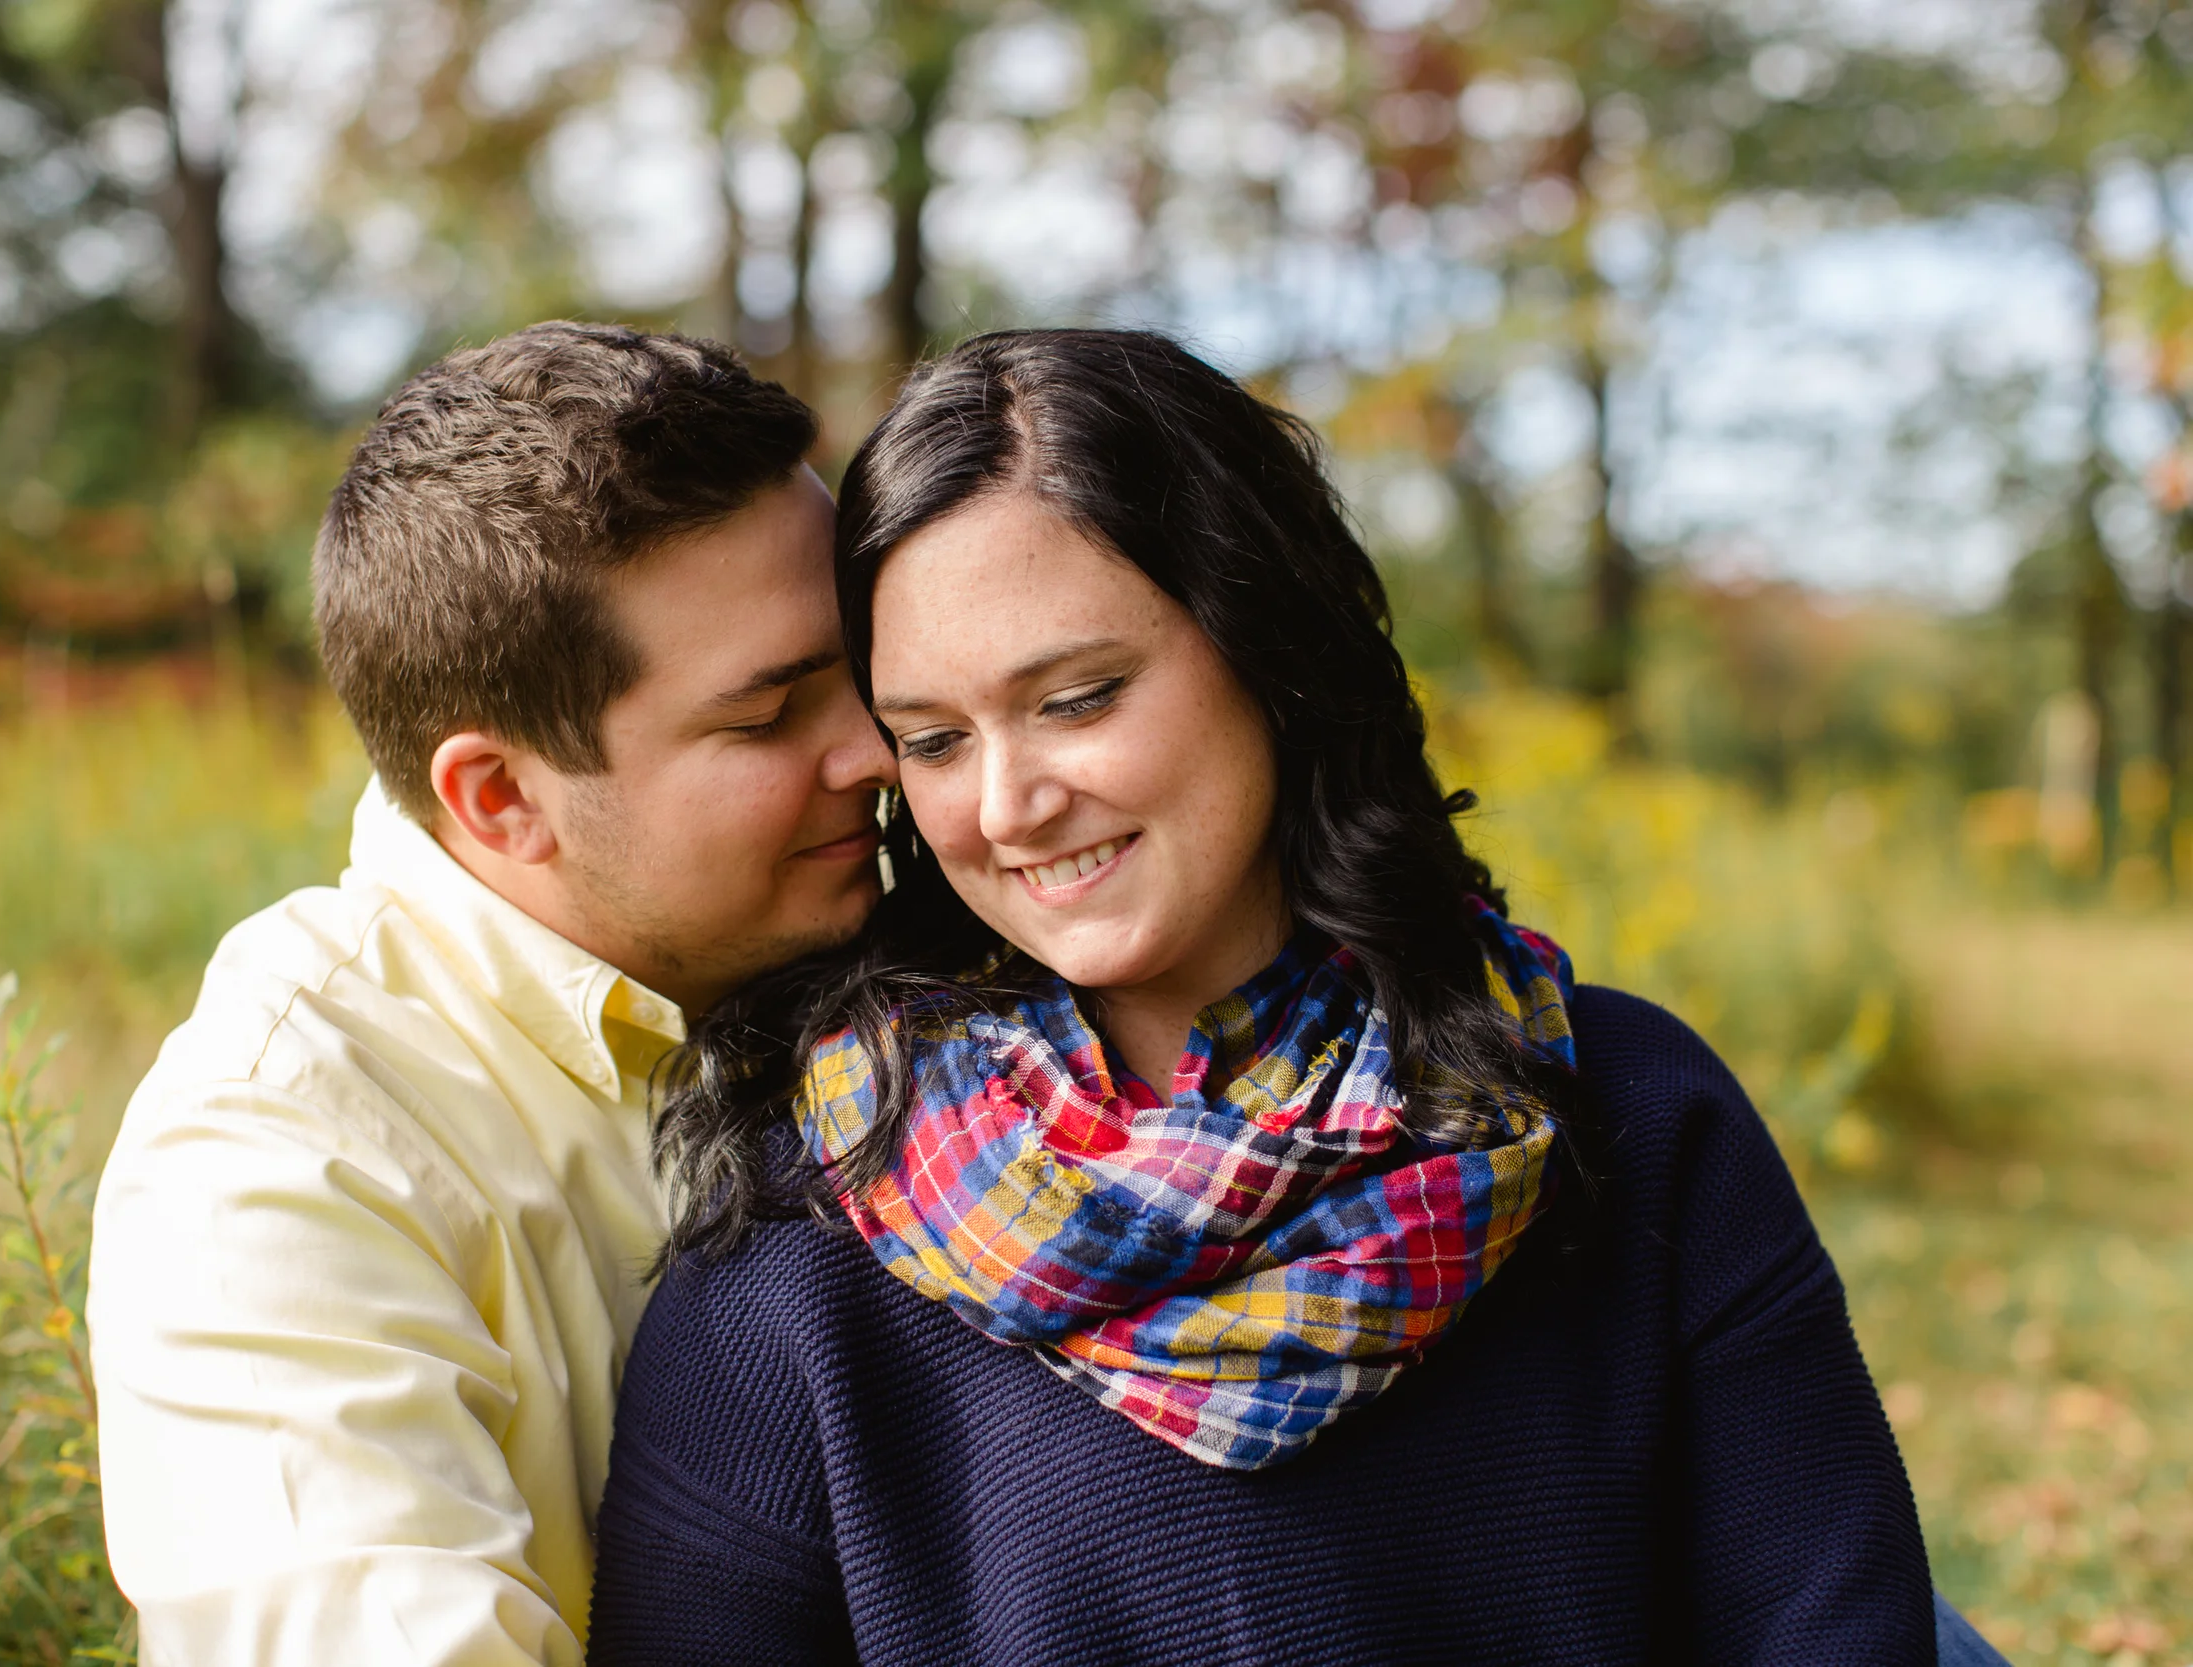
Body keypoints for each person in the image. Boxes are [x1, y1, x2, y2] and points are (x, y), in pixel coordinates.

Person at [588, 329, 1978, 1664]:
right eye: (937, 739)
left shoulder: (1627, 1113)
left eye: (1078, 698)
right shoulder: (804, 1246)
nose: (1007, 804)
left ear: (1267, 648)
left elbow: (1831, 1625)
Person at [87, 323, 894, 1665]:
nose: (877, 747)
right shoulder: (277, 1166)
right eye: (767, 716)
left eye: (857, 667)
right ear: (501, 797)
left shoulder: (944, 925)